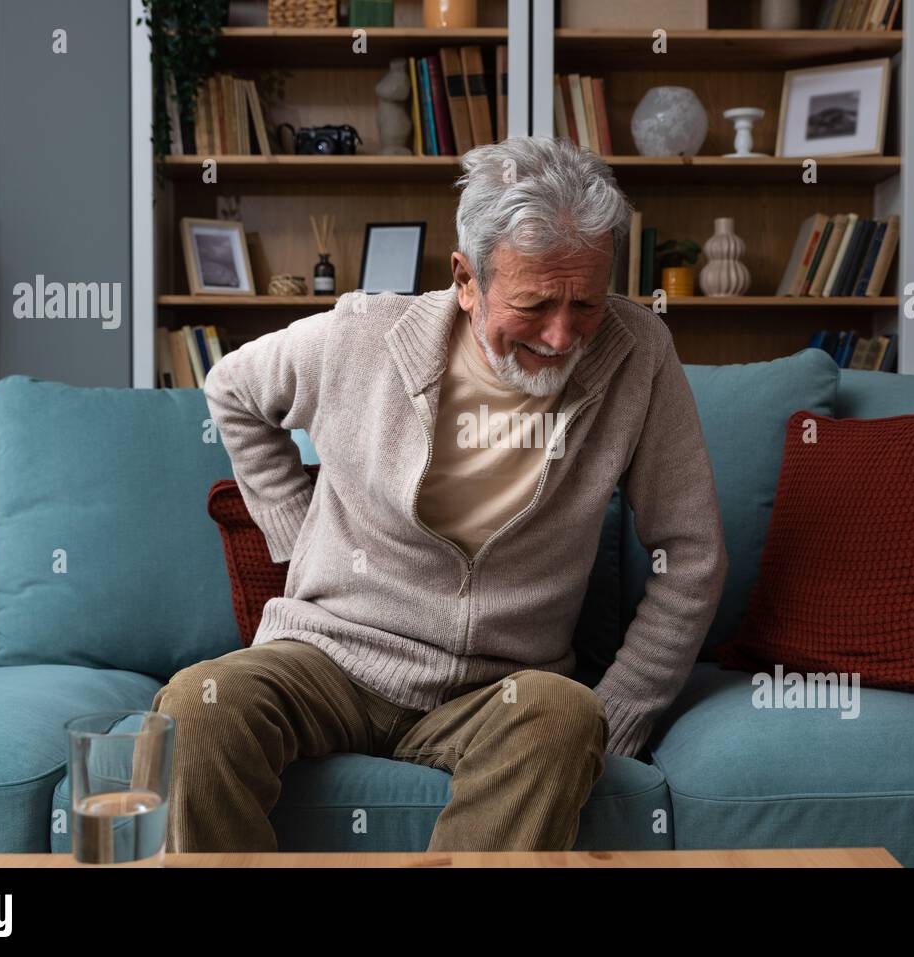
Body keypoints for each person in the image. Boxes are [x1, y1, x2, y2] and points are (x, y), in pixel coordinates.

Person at [153, 135, 728, 853]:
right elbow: (230, 388)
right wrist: (297, 540)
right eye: (535, 303)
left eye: (586, 303)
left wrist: (622, 707)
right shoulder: (361, 335)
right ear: (465, 277)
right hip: (331, 656)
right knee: (199, 706)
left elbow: (693, 552)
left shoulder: (638, 353)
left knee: (563, 715)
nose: (562, 335)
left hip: (505, 684)